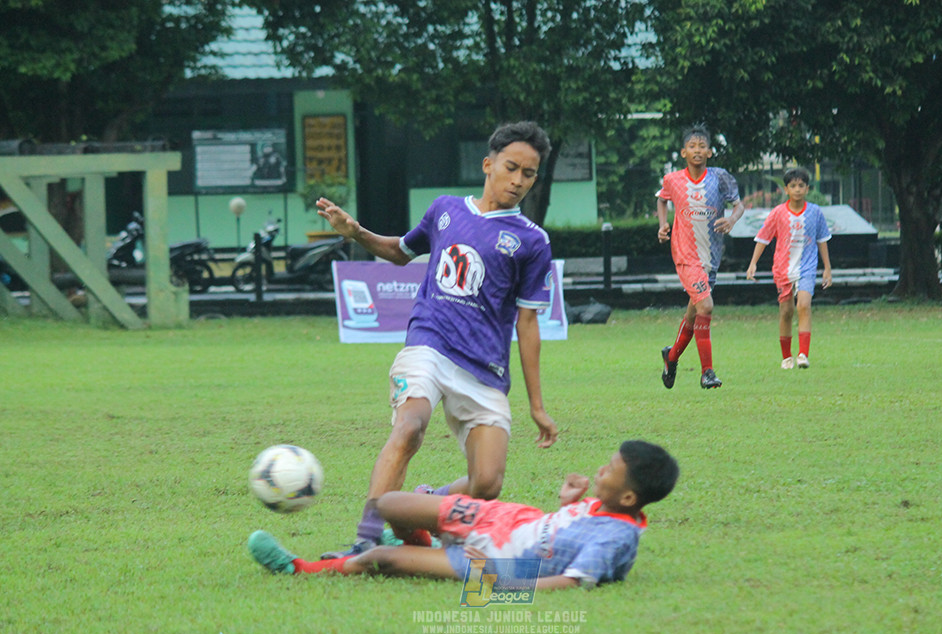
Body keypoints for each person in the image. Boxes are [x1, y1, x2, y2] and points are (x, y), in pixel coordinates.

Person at [314, 121, 559, 558]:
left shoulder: (532, 241)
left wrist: (537, 406)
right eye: (511, 168)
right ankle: (366, 539)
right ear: (488, 165)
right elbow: (400, 252)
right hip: (428, 345)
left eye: (529, 173)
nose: (519, 181)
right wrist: (357, 232)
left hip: (484, 367)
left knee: (487, 483)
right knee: (410, 428)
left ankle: (427, 502)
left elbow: (527, 324)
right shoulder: (445, 210)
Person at [248, 440, 680, 589]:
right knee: (390, 503)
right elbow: (562, 534)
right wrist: (568, 502)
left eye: (610, 471)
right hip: (502, 518)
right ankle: (423, 540)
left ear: (629, 497)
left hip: (495, 561)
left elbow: (572, 580)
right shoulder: (603, 505)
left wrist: (502, 587)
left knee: (381, 559)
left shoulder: (616, 537)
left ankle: (298, 569)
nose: (601, 470)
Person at [656, 124, 745, 390]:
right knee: (706, 306)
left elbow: (739, 205)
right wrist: (663, 225)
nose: (697, 150)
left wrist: (732, 219)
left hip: (711, 257)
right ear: (684, 152)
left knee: (694, 314)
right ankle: (707, 372)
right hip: (686, 256)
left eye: (702, 146)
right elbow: (662, 199)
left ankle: (671, 357)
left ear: (709, 151)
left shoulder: (720, 178)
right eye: (692, 146)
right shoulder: (673, 179)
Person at [746, 166, 832, 369]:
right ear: (786, 189)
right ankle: (787, 357)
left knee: (804, 305)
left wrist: (827, 268)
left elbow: (822, 240)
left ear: (807, 188)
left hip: (807, 268)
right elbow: (763, 238)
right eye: (793, 186)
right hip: (783, 270)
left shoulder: (815, 212)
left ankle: (803, 354)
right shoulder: (778, 213)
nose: (797, 189)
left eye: (801, 185)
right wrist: (753, 263)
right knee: (786, 311)